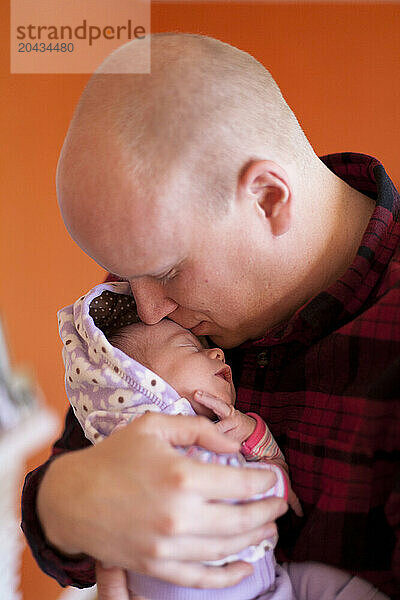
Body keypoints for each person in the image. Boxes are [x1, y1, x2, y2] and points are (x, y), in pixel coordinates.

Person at [21, 33, 399, 599]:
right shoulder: (157, 301)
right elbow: (71, 501)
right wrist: (62, 504)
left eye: (167, 270)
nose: (148, 309)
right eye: (126, 274)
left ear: (269, 198)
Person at [58, 280, 387, 600]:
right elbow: (266, 494)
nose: (216, 353)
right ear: (145, 390)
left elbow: (274, 477)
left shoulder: (215, 438)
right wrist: (273, 480)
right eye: (189, 347)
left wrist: (249, 433)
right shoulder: (167, 466)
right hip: (241, 589)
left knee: (323, 580)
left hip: (271, 581)